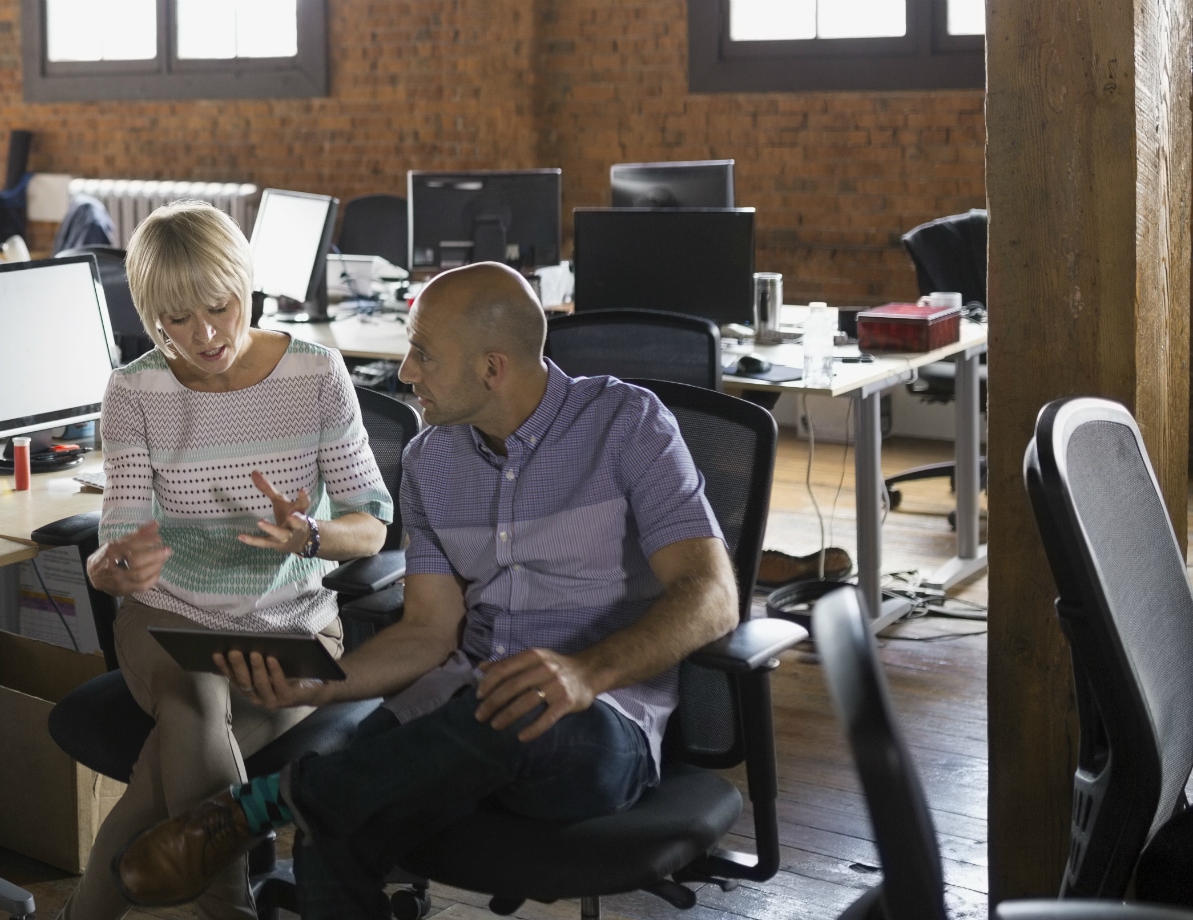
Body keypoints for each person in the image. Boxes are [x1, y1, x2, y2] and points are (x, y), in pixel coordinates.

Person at [110, 262, 739, 920]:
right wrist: (317, 686)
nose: (406, 371)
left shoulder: (627, 424)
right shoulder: (430, 460)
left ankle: (267, 802)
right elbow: (429, 632)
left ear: (492, 367)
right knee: (334, 835)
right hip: (461, 707)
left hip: (599, 720)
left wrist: (586, 672)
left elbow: (711, 594)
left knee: (511, 710)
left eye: (423, 354)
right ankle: (298, 799)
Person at [66, 201, 394, 920]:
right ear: (150, 316)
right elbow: (117, 534)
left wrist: (311, 534)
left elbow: (371, 526)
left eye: (220, 306)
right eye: (176, 320)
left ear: (247, 284)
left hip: (293, 628)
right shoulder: (134, 390)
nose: (206, 334)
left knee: (165, 771)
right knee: (196, 697)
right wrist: (110, 569)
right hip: (168, 619)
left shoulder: (316, 373)